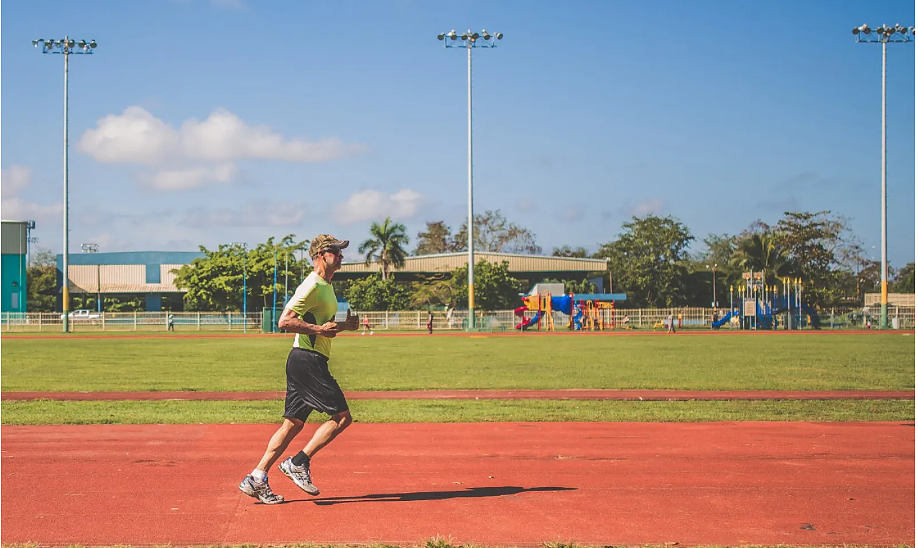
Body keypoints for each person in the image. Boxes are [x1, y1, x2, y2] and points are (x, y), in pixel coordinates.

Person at [238, 235, 359, 505]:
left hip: (305, 358)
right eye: (336, 252)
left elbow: (324, 328)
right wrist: (317, 329)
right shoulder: (312, 285)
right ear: (321, 254)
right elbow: (284, 321)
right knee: (342, 417)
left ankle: (256, 478)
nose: (341, 256)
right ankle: (298, 463)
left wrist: (346, 326)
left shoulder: (327, 286)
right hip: (308, 361)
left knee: (292, 424)